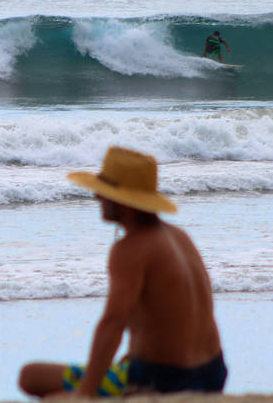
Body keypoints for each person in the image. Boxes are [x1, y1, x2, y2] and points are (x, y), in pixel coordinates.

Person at [18, 146, 227, 397]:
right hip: (212, 372)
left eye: (104, 192)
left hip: (163, 378)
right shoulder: (179, 237)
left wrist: (86, 394)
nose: (97, 197)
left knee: (33, 378)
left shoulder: (131, 248)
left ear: (124, 201)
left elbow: (112, 324)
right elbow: (173, 316)